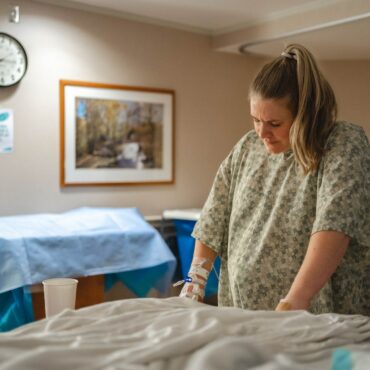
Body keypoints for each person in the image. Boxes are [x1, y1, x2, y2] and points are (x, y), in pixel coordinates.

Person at [178, 44, 370, 315]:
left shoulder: (341, 144)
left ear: (307, 115)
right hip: (242, 312)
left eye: (274, 124)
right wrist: (193, 283)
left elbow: (335, 225)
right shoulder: (248, 147)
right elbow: (214, 216)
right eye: (256, 120)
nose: (262, 132)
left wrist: (295, 300)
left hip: (314, 317)